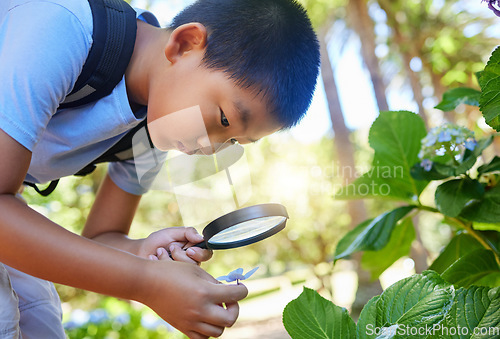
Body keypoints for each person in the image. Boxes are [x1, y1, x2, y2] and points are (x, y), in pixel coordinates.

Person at [0, 0, 320, 338]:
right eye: (224, 119)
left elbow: (101, 238)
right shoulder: (65, 26)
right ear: (184, 44)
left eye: (233, 141)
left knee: (41, 321)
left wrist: (143, 252)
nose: (210, 147)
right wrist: (145, 283)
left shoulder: (151, 133)